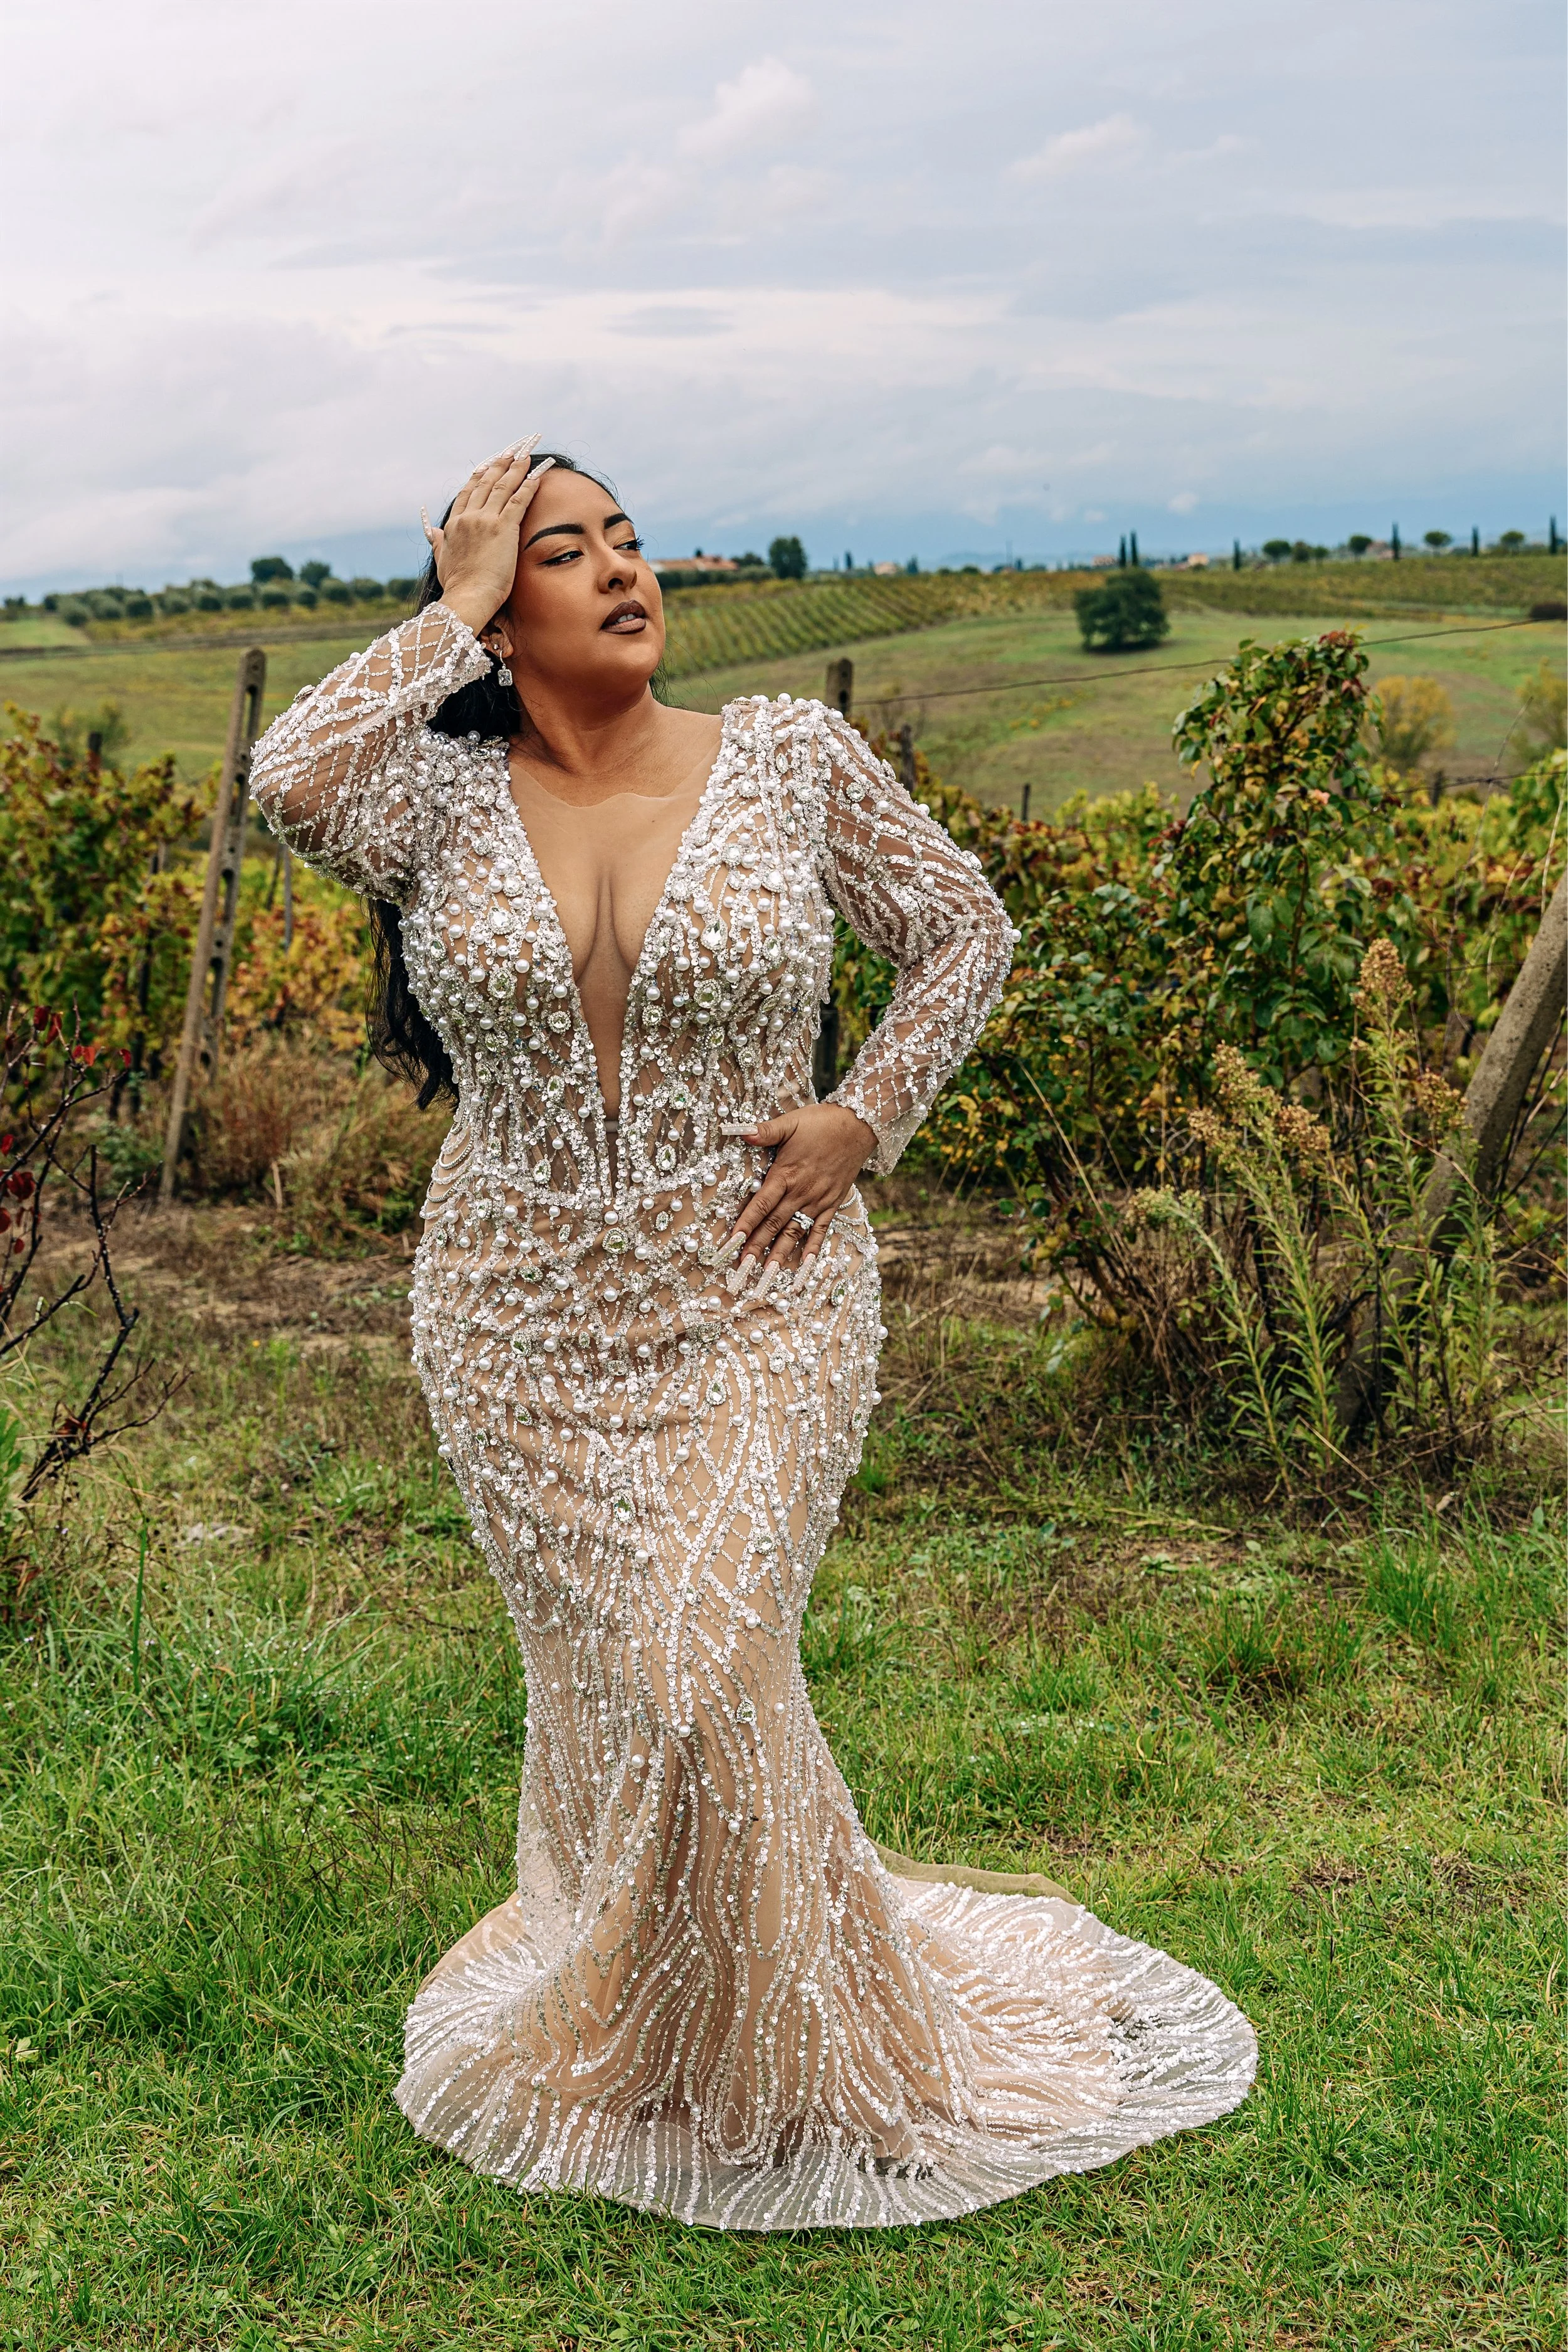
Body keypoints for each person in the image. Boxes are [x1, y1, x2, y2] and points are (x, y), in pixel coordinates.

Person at [250, 437, 1255, 2232]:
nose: (626, 572)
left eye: (632, 541)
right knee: (612, 1682)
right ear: (496, 605)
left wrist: (866, 1113)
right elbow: (285, 774)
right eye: (568, 553)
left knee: (706, 1665)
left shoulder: (787, 754)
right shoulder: (429, 805)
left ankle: (833, 2047)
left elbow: (961, 931)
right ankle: (665, 2033)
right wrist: (450, 611)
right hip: (513, 1321)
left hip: (760, 1291)